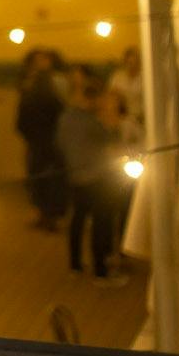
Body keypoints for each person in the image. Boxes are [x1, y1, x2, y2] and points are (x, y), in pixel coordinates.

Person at [57, 77, 128, 285]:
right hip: (97, 177)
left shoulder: (66, 117)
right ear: (95, 99)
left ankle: (75, 264)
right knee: (101, 222)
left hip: (75, 175)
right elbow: (111, 138)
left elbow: (59, 143)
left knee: (77, 220)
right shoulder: (91, 121)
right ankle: (101, 270)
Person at [18, 50, 68, 231]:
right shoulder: (35, 81)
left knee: (45, 177)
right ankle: (45, 213)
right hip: (43, 137)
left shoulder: (50, 82)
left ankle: (47, 214)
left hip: (45, 137)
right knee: (43, 176)